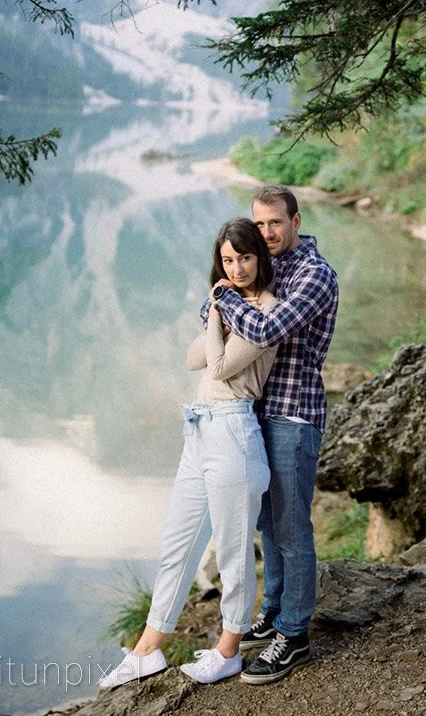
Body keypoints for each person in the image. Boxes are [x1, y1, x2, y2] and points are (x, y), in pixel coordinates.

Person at [100, 217, 279, 690]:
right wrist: (220, 312)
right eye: (227, 260)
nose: (236, 268)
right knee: (178, 546)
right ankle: (147, 649)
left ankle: (229, 651)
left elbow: (218, 365)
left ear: (259, 257)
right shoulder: (235, 306)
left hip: (235, 436)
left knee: (233, 554)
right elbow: (191, 357)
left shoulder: (266, 312)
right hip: (200, 432)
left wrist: (219, 309)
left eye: (244, 258)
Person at [206, 184, 338, 685]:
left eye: (275, 223)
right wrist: (223, 300)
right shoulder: (266, 266)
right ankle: (276, 609)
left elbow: (262, 331)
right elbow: (209, 316)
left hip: (294, 415)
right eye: (259, 225)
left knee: (290, 526)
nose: (266, 234)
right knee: (265, 522)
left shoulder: (314, 275)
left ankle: (295, 636)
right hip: (257, 413)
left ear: (296, 220)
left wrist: (223, 298)